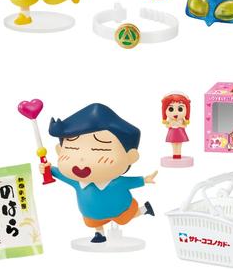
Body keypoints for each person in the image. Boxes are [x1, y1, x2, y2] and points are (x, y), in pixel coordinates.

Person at [40, 103, 156, 244]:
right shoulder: (77, 182)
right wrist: (48, 169)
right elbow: (59, 174)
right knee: (94, 222)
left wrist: (145, 179)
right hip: (92, 213)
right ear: (60, 150)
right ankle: (99, 234)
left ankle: (144, 209)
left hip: (121, 209)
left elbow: (130, 181)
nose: (82, 159)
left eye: (99, 149)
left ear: (130, 156)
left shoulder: (116, 182)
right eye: (73, 148)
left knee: (127, 217)